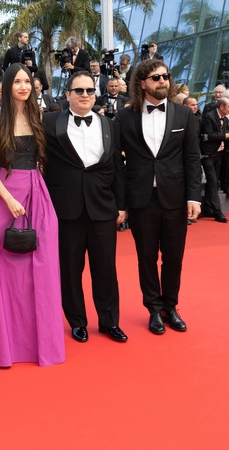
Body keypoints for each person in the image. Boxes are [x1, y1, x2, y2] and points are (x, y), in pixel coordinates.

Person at [0, 63, 65, 367]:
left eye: (28, 81)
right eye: (18, 82)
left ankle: (40, 343)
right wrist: (9, 198)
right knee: (6, 270)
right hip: (6, 194)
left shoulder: (37, 116)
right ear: (8, 86)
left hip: (37, 192)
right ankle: (6, 344)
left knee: (42, 265)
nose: (24, 87)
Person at [115, 59, 202, 334]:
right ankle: (153, 308)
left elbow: (192, 157)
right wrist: (120, 204)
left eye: (166, 76)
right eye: (156, 77)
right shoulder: (124, 117)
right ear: (142, 83)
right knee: (146, 257)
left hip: (175, 197)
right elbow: (116, 163)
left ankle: (170, 306)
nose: (163, 80)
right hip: (141, 198)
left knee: (174, 257)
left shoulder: (183, 115)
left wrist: (194, 197)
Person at [43, 71, 128, 343]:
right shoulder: (49, 122)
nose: (85, 95)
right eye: (78, 90)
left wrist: (121, 205)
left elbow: (117, 167)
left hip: (103, 207)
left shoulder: (109, 125)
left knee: (106, 269)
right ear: (67, 94)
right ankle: (77, 321)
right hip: (66, 209)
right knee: (70, 270)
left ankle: (109, 321)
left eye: (90, 90)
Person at [200, 98, 229, 222]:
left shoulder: (225, 119)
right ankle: (218, 212)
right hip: (208, 155)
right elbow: (209, 135)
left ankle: (208, 208)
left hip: (219, 154)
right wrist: (226, 135)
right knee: (213, 181)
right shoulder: (209, 117)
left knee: (214, 181)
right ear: (222, 107)